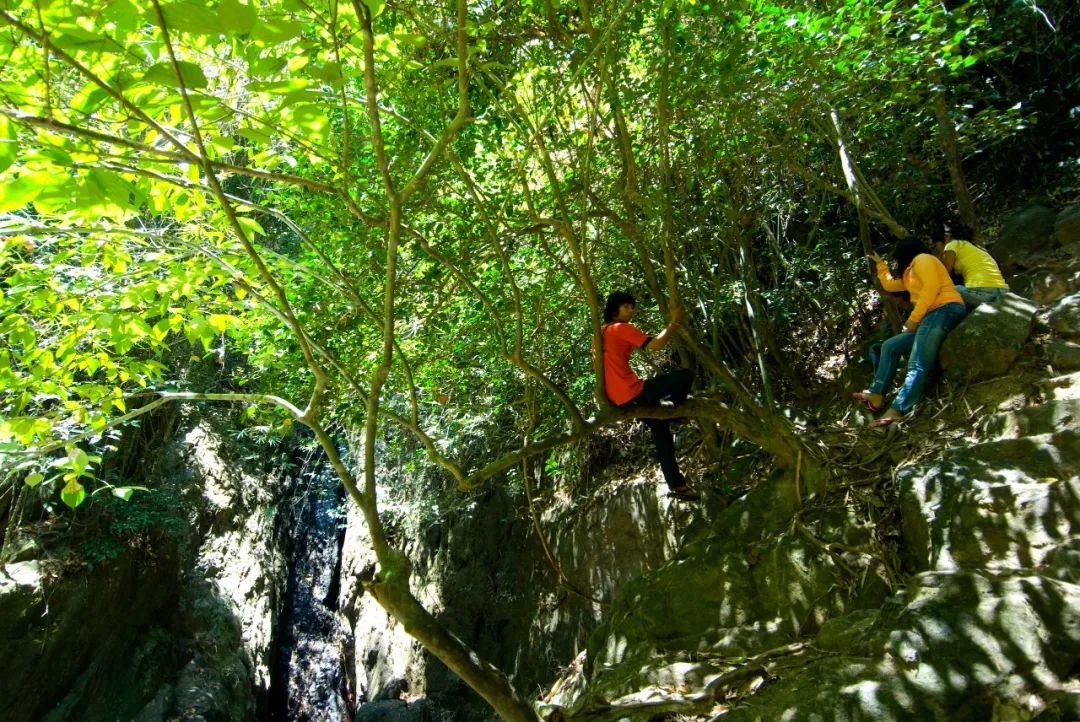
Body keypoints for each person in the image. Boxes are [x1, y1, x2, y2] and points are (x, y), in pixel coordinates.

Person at [853, 239, 967, 428]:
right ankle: (876, 394)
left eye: (897, 258)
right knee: (890, 346)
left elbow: (931, 289)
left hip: (944, 309)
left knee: (917, 363)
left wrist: (913, 320)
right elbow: (890, 285)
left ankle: (897, 410)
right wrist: (881, 265)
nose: (897, 262)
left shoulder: (923, 259)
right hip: (932, 315)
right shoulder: (911, 273)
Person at [599, 291, 700, 500]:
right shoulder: (619, 328)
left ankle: (677, 486)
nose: (631, 311)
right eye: (626, 306)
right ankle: (674, 408)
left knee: (660, 430)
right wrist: (674, 322)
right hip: (633, 392)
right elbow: (656, 345)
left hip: (618, 400)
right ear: (614, 310)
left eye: (632, 307)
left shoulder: (600, 332)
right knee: (685, 375)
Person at [932, 227, 1009, 309]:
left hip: (984, 293)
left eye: (936, 245)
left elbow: (945, 273)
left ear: (946, 237)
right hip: (1002, 292)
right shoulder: (969, 247)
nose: (936, 249)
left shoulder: (951, 245)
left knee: (951, 290)